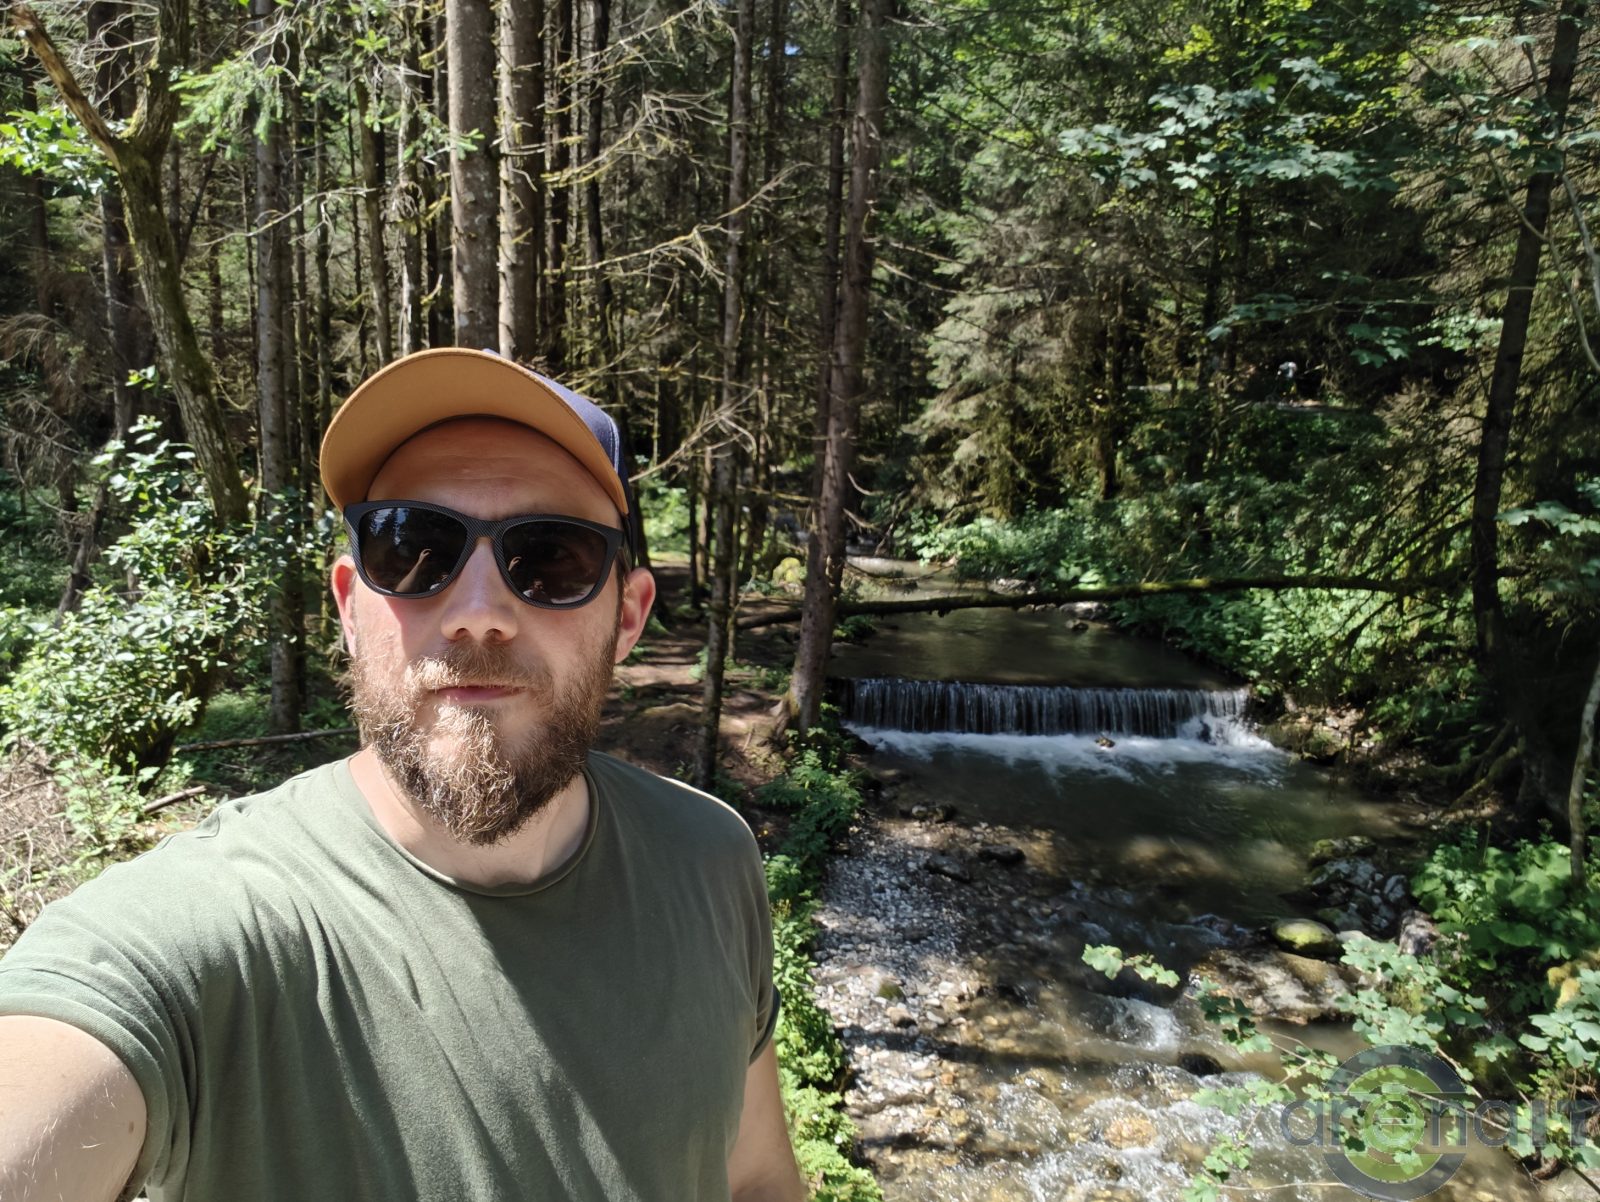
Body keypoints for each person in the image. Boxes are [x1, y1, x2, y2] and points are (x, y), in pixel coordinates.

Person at [0, 348, 805, 1202]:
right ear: (350, 606)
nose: (479, 615)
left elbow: (757, 1178)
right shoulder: (207, 932)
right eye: (412, 547)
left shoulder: (710, 857)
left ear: (629, 616)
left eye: (551, 557)